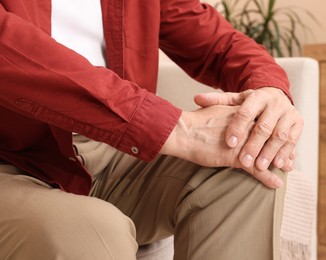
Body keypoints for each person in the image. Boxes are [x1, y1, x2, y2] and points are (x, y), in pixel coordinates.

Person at [0, 0, 303, 259]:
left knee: (250, 161)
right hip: (11, 159)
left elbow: (218, 42)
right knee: (90, 234)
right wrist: (178, 128)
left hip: (115, 148)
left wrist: (269, 91)